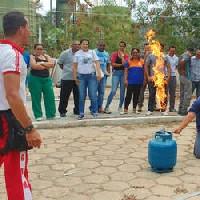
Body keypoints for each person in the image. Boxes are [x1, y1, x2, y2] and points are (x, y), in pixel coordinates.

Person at [0, 11, 42, 200]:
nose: (30, 32)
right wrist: (29, 128)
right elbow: (13, 95)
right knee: (17, 174)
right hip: (10, 119)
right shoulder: (12, 55)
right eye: (28, 27)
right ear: (20, 29)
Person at [73, 39, 101, 120]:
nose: (85, 45)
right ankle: (81, 113)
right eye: (84, 44)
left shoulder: (92, 52)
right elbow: (74, 67)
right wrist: (75, 78)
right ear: (80, 45)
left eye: (87, 44)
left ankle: (94, 111)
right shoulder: (77, 54)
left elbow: (97, 63)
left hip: (92, 77)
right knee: (82, 96)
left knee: (93, 95)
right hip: (81, 77)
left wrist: (98, 73)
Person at [28, 44, 56, 121]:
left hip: (46, 79)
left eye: (41, 49)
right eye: (38, 49)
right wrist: (46, 65)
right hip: (35, 79)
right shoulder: (32, 57)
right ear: (35, 49)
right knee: (36, 97)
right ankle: (38, 115)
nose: (40, 50)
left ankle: (50, 114)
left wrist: (41, 63)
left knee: (50, 96)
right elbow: (34, 66)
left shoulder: (46, 56)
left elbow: (52, 64)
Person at [145, 43, 171, 115]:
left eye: (161, 48)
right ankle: (150, 109)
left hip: (162, 78)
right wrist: (148, 76)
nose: (160, 49)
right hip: (153, 78)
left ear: (162, 49)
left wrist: (168, 77)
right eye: (159, 47)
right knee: (152, 94)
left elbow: (169, 67)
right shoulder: (151, 56)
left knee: (164, 94)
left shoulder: (165, 56)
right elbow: (146, 66)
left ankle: (164, 109)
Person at [104, 41, 129, 114]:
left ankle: (120, 107)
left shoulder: (126, 55)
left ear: (125, 47)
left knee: (122, 92)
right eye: (120, 46)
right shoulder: (114, 54)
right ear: (119, 46)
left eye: (123, 46)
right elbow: (113, 64)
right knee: (113, 90)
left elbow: (126, 65)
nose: (121, 47)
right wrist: (122, 64)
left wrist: (122, 58)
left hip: (123, 74)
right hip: (116, 74)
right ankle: (107, 106)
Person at [57, 41, 80, 117]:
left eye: (78, 44)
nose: (77, 46)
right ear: (71, 45)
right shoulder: (65, 53)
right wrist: (67, 70)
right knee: (64, 95)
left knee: (78, 95)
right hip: (67, 78)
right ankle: (62, 111)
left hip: (78, 77)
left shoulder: (81, 53)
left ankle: (77, 110)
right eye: (75, 44)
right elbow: (60, 63)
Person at [122, 48, 144, 114]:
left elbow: (144, 71)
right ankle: (125, 109)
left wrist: (144, 80)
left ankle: (134, 109)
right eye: (133, 52)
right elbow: (125, 72)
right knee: (128, 95)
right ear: (131, 53)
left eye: (136, 52)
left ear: (139, 53)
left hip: (139, 81)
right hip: (130, 82)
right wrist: (125, 80)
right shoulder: (128, 62)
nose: (135, 54)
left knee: (136, 96)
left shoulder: (142, 61)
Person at [94, 41, 111, 113]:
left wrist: (108, 72)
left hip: (103, 76)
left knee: (102, 92)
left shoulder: (106, 54)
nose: (102, 47)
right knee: (93, 92)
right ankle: (93, 106)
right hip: (95, 75)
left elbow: (108, 64)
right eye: (100, 45)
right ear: (97, 45)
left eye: (103, 46)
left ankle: (100, 107)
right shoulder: (93, 52)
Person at [178, 48, 193, 116]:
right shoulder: (187, 55)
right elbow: (182, 62)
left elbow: (179, 64)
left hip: (182, 76)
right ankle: (184, 110)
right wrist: (182, 71)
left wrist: (180, 71)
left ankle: (180, 109)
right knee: (188, 94)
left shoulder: (181, 55)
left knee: (182, 94)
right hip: (186, 76)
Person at [137, 43, 151, 112]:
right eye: (146, 47)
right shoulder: (141, 55)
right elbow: (142, 64)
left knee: (152, 91)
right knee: (141, 91)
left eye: (148, 47)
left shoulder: (153, 54)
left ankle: (152, 106)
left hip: (151, 75)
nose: (147, 49)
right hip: (143, 75)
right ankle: (140, 105)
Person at [165, 46, 179, 112]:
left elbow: (176, 67)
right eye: (171, 51)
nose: (172, 52)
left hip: (173, 76)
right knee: (165, 92)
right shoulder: (165, 57)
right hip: (165, 76)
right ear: (169, 50)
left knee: (172, 93)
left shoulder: (176, 58)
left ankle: (172, 107)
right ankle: (164, 107)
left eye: (173, 51)